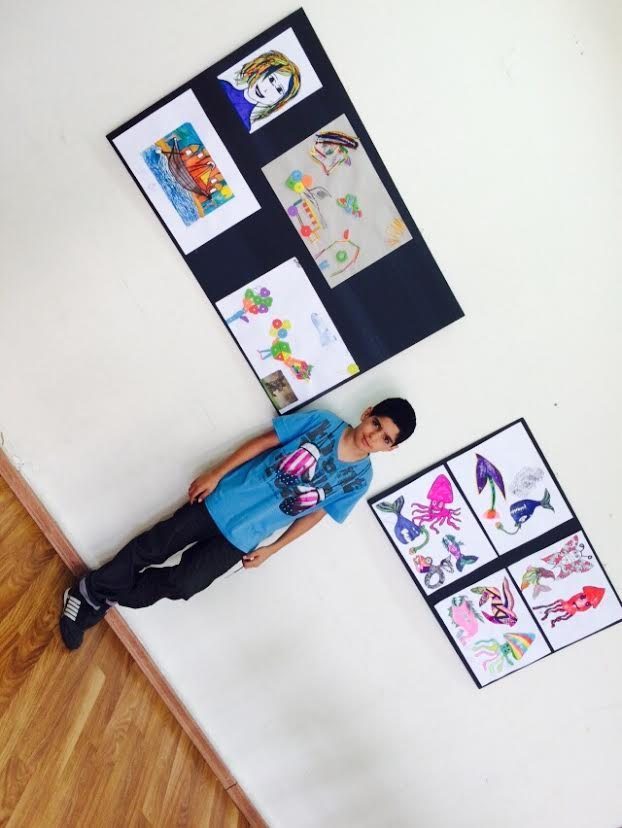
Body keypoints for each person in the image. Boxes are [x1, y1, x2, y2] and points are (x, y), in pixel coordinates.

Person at [59, 398, 416, 650]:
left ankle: (102, 591)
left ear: (391, 448)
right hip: (222, 501)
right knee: (152, 548)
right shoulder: (323, 422)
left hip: (246, 536)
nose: (374, 436)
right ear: (367, 413)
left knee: (184, 584)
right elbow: (264, 442)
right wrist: (216, 474)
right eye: (376, 424)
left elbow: (315, 515)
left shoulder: (360, 480)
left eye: (385, 438)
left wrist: (273, 549)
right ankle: (87, 595)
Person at [219, 50, 301, 131]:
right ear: (260, 70)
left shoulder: (245, 126)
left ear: (279, 101)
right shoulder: (223, 86)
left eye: (279, 90)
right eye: (271, 79)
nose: (266, 90)